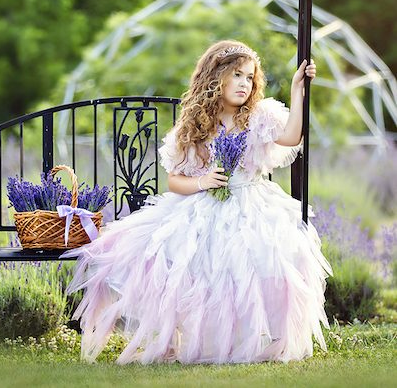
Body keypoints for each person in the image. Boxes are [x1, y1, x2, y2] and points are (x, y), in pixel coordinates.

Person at [59, 39, 333, 365]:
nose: (245, 84)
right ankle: (192, 337)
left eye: (250, 77)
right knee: (180, 256)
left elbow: (291, 136)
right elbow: (175, 181)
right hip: (204, 203)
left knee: (262, 254)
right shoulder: (193, 127)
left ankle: (252, 336)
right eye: (237, 76)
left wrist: (297, 89)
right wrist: (203, 181)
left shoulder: (258, 116)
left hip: (252, 201)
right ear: (216, 78)